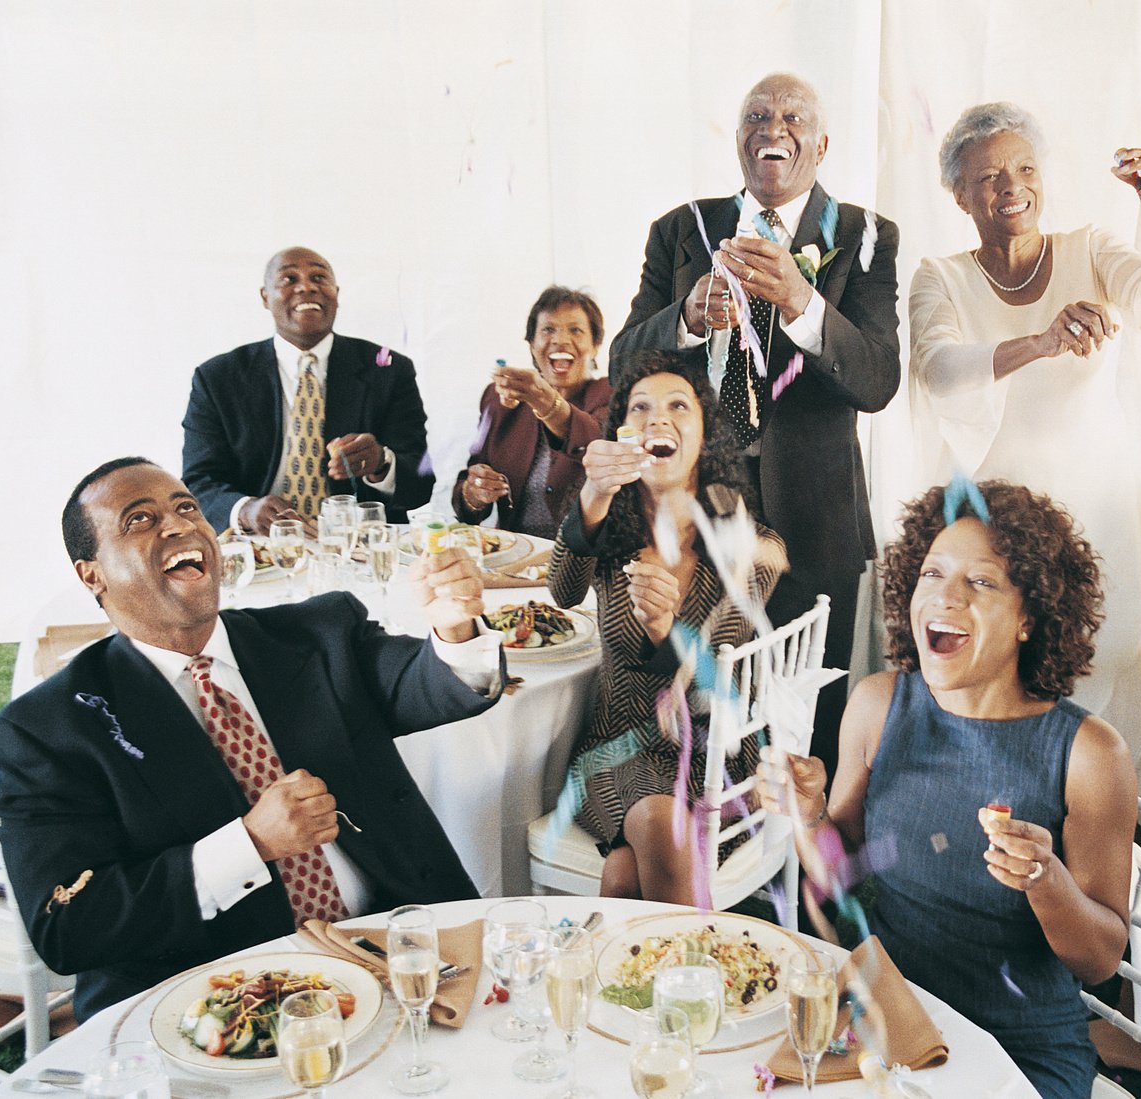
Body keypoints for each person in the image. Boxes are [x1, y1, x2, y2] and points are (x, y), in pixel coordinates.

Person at [0, 458, 504, 1020]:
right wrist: (250, 844)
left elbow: (429, 686)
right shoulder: (47, 730)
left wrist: (454, 629)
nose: (179, 525)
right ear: (93, 576)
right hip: (217, 997)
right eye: (140, 520)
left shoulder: (319, 633)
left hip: (397, 952)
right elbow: (68, 927)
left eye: (186, 507)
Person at [765, 481, 1137, 1098]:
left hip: (1021, 1045)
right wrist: (809, 817)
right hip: (889, 1018)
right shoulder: (878, 704)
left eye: (982, 582)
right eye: (932, 574)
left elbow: (1098, 961)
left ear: (1029, 617)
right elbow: (842, 883)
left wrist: (1047, 882)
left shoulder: (1092, 754)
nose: (945, 597)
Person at [610, 72, 899, 779]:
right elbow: (621, 365)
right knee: (692, 720)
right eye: (757, 115)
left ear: (822, 143)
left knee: (802, 725)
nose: (774, 127)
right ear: (739, 139)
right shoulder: (682, 230)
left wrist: (802, 303)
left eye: (793, 115)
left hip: (815, 527)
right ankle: (698, 864)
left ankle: (797, 872)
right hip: (693, 526)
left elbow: (877, 381)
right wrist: (681, 320)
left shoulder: (865, 236)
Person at [908, 102, 1141, 768]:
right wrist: (1040, 341)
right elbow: (939, 369)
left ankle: (1097, 812)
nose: (1012, 188)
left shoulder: (1089, 249)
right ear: (960, 196)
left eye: (1025, 168)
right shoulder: (939, 277)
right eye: (988, 177)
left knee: (1104, 656)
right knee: (1005, 665)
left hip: (1102, 502)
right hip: (1000, 516)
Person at [547, 351, 785, 904]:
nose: (659, 419)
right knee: (647, 841)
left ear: (705, 436)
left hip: (713, 756)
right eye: (641, 408)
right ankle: (693, 980)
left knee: (632, 864)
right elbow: (561, 592)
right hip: (615, 750)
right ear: (624, 435)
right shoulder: (610, 525)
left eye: (679, 406)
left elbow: (707, 689)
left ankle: (658, 978)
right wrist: (594, 494)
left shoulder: (756, 550)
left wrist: (663, 630)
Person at [182, 246, 433, 534]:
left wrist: (381, 464)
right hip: (259, 546)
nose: (307, 288)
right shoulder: (218, 378)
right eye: (289, 279)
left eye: (319, 278)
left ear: (336, 294)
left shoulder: (388, 369)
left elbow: (421, 483)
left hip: (357, 546)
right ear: (265, 297)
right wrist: (245, 509)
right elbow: (198, 482)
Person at [451, 286, 613, 536]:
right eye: (548, 329)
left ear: (595, 344)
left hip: (584, 558)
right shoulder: (499, 398)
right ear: (531, 344)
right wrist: (474, 493)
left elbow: (594, 440)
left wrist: (546, 402)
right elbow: (468, 495)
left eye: (576, 330)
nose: (560, 339)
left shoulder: (611, 394)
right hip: (515, 555)